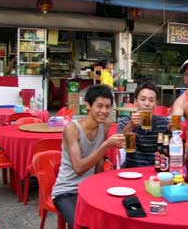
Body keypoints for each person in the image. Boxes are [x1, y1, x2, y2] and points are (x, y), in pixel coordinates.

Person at [52, 85, 125, 227]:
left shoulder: (103, 127)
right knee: (83, 225)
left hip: (89, 188)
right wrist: (105, 146)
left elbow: (98, 165)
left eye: (108, 107)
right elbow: (78, 168)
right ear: (88, 105)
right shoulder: (72, 129)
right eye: (99, 106)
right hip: (67, 191)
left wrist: (101, 186)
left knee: (118, 216)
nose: (104, 111)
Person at [118, 82, 169, 167]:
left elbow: (172, 148)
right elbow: (118, 143)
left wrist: (172, 129)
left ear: (156, 103)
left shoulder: (164, 123)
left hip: (155, 170)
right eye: (143, 99)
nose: (147, 104)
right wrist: (131, 125)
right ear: (135, 101)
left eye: (151, 100)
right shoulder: (126, 121)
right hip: (131, 170)